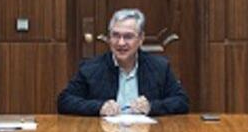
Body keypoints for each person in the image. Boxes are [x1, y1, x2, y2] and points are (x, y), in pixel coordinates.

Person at [57, 8, 190, 116]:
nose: (121, 43)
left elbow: (182, 101)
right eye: (115, 35)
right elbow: (64, 101)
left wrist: (152, 107)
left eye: (128, 37)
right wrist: (99, 107)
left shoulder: (159, 67)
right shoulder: (91, 68)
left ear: (141, 39)